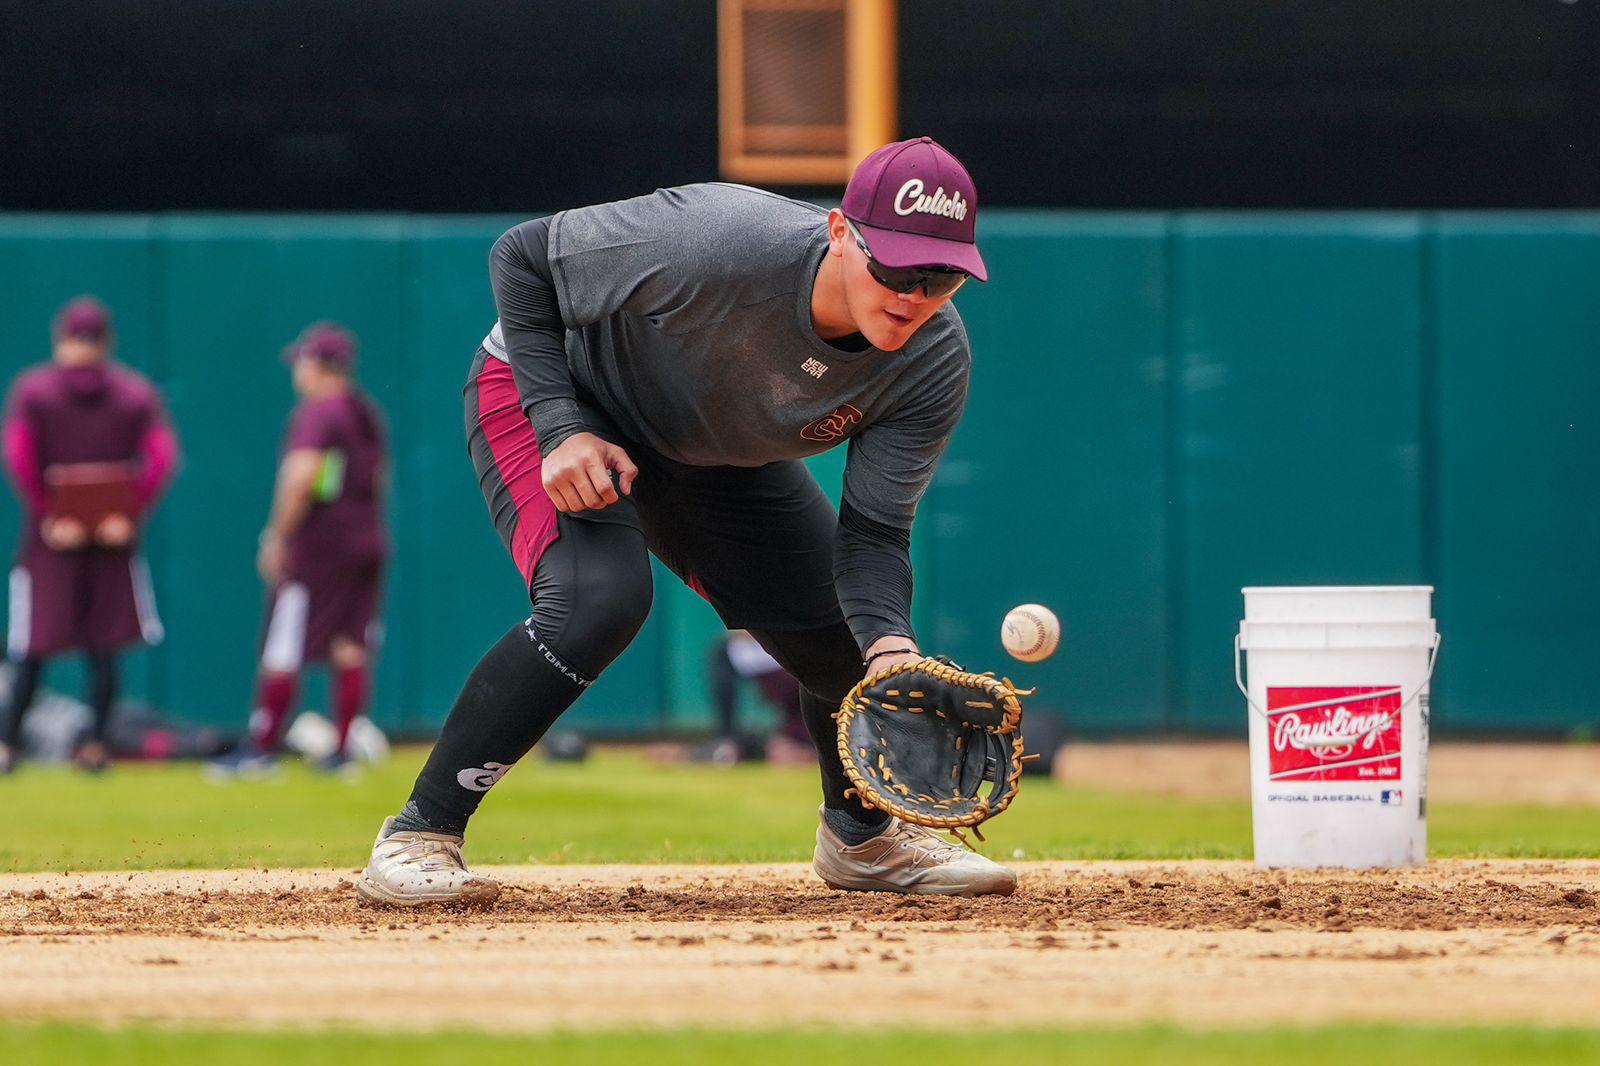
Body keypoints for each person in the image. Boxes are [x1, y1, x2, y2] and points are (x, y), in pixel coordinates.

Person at [358, 137, 1014, 906]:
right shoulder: (720, 238)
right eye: (896, 268)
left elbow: (872, 536)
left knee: (849, 642)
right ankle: (419, 834)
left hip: (710, 450)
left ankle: (863, 841)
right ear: (841, 232)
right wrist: (560, 424)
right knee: (598, 601)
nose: (913, 294)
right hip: (568, 393)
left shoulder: (931, 360)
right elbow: (522, 257)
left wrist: (891, 650)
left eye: (942, 279)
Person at [0, 297, 179, 773]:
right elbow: (161, 458)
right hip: (110, 536)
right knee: (98, 648)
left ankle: (8, 746)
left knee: (35, 650)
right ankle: (95, 746)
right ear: (108, 340)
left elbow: (18, 456)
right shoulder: (134, 392)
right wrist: (128, 510)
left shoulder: (33, 390)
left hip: (52, 540)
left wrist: (51, 513)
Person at [208, 324, 388, 778]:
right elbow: (379, 479)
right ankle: (343, 751)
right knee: (350, 644)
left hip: (320, 547)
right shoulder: (364, 412)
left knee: (283, 642)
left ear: (316, 365)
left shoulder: (319, 413)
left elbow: (301, 477)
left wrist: (277, 535)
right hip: (365, 539)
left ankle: (262, 747)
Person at [698, 631, 811, 765]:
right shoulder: (730, 653)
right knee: (722, 653)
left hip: (797, 647)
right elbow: (738, 631)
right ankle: (727, 740)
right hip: (768, 643)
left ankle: (807, 748)